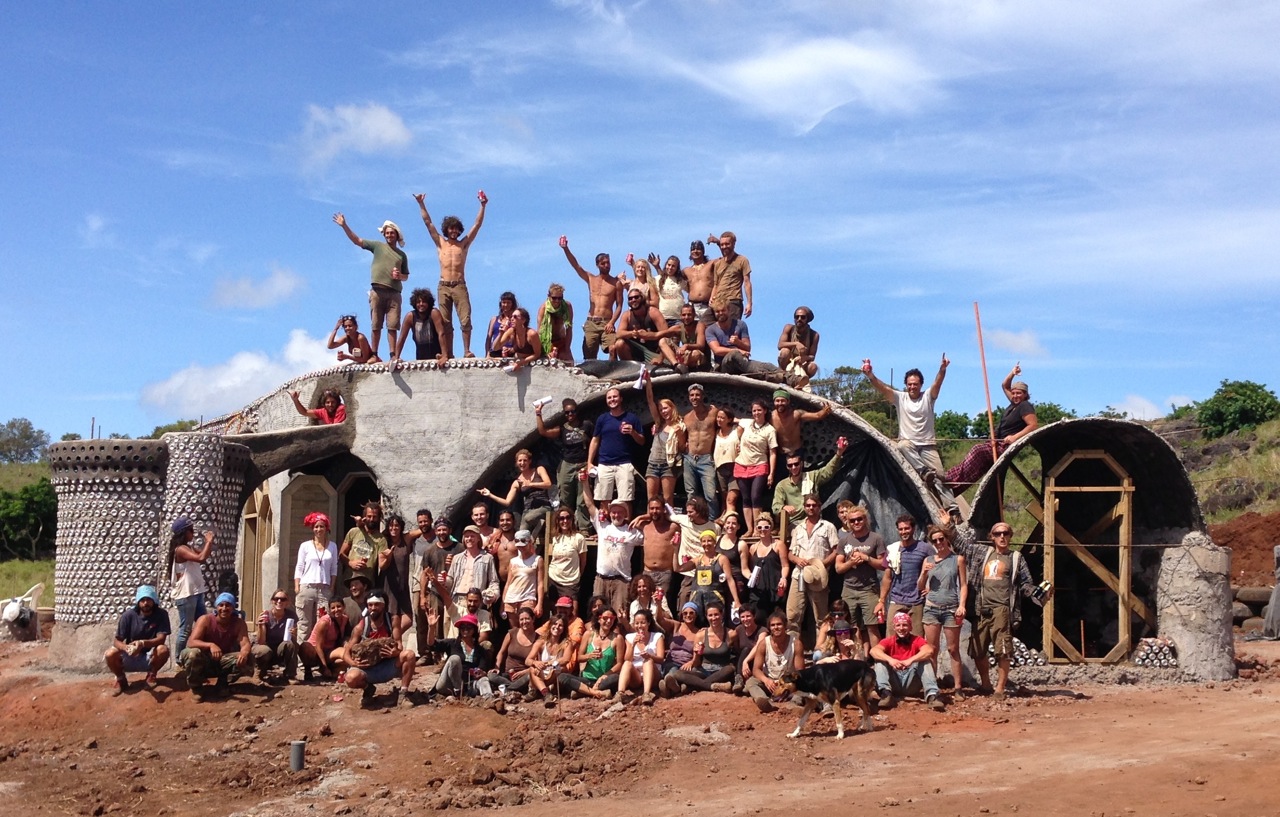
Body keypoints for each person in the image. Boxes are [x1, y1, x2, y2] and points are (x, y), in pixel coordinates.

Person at [953, 521, 1051, 700]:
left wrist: (1037, 593)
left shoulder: (1016, 558)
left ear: (1010, 536)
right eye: (998, 534)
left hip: (1003, 609)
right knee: (977, 649)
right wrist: (948, 526)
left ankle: (1000, 689)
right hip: (981, 607)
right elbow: (961, 546)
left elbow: (1025, 584)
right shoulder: (982, 552)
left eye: (1005, 533)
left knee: (1003, 650)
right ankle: (985, 684)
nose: (1002, 536)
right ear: (992, 537)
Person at [862, 355, 951, 493]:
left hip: (928, 446)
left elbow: (937, 383)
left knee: (940, 478)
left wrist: (942, 369)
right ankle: (924, 471)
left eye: (915, 384)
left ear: (921, 385)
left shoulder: (928, 396)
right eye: (909, 384)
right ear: (906, 385)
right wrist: (870, 375)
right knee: (902, 445)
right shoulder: (900, 398)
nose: (912, 387)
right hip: (909, 446)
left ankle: (952, 505)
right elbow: (883, 388)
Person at [415, 189, 487, 358]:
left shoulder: (463, 245)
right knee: (445, 322)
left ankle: (467, 350)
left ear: (459, 230)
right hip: (444, 286)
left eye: (456, 229)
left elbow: (477, 225)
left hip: (459, 285)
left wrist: (482, 206)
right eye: (451, 229)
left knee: (465, 319)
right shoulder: (441, 243)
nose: (453, 231)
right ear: (446, 230)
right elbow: (428, 223)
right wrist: (421, 203)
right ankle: (448, 353)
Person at [944, 364, 1039, 493]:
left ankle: (949, 478)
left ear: (1025, 395)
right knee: (979, 467)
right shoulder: (1013, 404)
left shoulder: (1025, 406)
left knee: (977, 450)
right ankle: (954, 489)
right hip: (996, 443)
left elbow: (1033, 426)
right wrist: (1012, 373)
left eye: (1019, 393)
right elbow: (1005, 385)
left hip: (1006, 446)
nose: (1015, 395)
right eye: (1014, 393)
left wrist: (1014, 437)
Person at [332, 213, 408, 360]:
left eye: (392, 233)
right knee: (376, 325)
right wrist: (344, 225)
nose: (389, 235)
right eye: (387, 233)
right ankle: (374, 354)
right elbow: (357, 241)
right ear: (384, 234)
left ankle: (393, 355)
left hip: (394, 293)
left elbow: (406, 276)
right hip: (377, 291)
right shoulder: (377, 246)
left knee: (392, 326)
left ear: (397, 235)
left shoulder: (401, 255)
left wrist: (400, 276)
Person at [343, 591, 416, 706]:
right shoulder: (362, 626)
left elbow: (399, 643)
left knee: (409, 655)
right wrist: (354, 663)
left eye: (376, 604)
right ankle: (368, 688)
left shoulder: (392, 620)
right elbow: (346, 652)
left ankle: (403, 693)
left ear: (383, 605)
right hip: (368, 668)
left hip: (388, 664)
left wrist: (395, 652)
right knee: (350, 678)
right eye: (370, 605)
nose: (373, 608)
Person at [784, 494, 840, 644]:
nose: (811, 508)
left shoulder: (828, 527)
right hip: (799, 575)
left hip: (818, 577)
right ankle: (793, 649)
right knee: (793, 615)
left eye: (814, 505)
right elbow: (790, 553)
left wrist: (821, 565)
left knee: (821, 617)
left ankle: (821, 649)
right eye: (808, 505)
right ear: (804, 508)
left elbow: (836, 551)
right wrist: (797, 559)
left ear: (819, 507)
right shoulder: (798, 529)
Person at [834, 503, 888, 656]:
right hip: (849, 589)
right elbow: (838, 568)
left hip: (869, 589)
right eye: (852, 520)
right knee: (851, 626)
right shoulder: (844, 541)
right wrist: (851, 562)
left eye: (859, 519)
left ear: (865, 519)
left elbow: (883, 565)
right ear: (848, 522)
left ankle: (878, 660)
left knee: (872, 626)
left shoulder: (875, 538)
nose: (856, 522)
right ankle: (856, 658)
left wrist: (866, 558)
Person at [919, 524, 968, 692]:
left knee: (953, 649)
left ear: (947, 539)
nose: (939, 543)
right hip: (932, 608)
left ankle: (958, 687)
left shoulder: (957, 559)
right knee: (932, 649)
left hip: (951, 608)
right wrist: (924, 573)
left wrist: (962, 605)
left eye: (941, 539)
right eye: (935, 541)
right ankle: (932, 687)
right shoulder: (928, 560)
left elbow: (963, 584)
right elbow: (920, 586)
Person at [560, 235, 624, 360]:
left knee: (613, 348)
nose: (606, 265)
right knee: (589, 355)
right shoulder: (591, 279)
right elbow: (576, 266)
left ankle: (612, 369)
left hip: (607, 322)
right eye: (603, 263)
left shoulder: (616, 283)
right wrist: (565, 248)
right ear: (597, 265)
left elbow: (619, 305)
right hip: (591, 322)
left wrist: (612, 322)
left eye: (608, 263)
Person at [536, 397, 593, 530]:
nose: (570, 414)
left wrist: (591, 462)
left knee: (583, 498)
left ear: (577, 411)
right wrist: (538, 413)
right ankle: (566, 528)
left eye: (572, 411)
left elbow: (595, 442)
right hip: (567, 464)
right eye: (567, 412)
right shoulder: (563, 428)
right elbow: (543, 431)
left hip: (583, 463)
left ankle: (584, 528)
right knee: (565, 498)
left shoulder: (587, 425)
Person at [869, 611, 945, 712]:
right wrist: (891, 660)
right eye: (898, 625)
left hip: (911, 681)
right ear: (894, 627)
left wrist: (910, 660)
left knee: (925, 661)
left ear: (910, 627)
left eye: (905, 625)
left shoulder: (917, 640)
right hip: (894, 681)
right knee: (880, 662)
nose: (901, 628)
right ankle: (885, 694)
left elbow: (929, 651)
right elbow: (873, 651)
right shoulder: (888, 641)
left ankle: (933, 695)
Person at [180, 592, 252, 696]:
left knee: (248, 657)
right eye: (221, 605)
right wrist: (210, 645)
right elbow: (191, 642)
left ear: (233, 608)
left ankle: (223, 683)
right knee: (193, 654)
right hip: (203, 659)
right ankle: (196, 688)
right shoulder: (205, 620)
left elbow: (245, 643)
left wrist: (244, 653)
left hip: (222, 659)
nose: (224, 608)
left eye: (228, 605)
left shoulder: (238, 623)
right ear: (216, 607)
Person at [582, 492, 644, 612]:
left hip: (621, 581)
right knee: (598, 614)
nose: (616, 515)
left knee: (620, 614)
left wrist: (639, 521)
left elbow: (650, 533)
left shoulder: (632, 531)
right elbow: (589, 505)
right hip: (601, 579)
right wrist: (584, 484)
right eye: (614, 512)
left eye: (620, 512)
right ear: (609, 514)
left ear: (626, 514)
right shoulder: (603, 526)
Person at [876, 515, 936, 636]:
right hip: (896, 600)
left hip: (917, 601)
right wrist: (881, 601)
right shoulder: (892, 550)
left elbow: (937, 570)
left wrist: (930, 588)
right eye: (901, 529)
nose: (904, 532)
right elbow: (887, 577)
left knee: (916, 638)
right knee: (892, 638)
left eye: (907, 528)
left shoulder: (925, 549)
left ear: (913, 529)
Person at [105, 585, 171, 694]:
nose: (145, 603)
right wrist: (127, 648)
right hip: (130, 655)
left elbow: (161, 639)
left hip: (150, 656)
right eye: (142, 600)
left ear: (154, 600)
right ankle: (121, 679)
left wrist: (142, 643)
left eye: (149, 600)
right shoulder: (128, 616)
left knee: (163, 650)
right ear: (138, 602)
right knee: (110, 654)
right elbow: (117, 641)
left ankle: (152, 675)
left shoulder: (161, 614)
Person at [481, 448, 554, 543]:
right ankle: (530, 545)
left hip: (543, 506)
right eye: (520, 461)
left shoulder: (539, 470)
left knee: (529, 518)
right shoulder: (517, 482)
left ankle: (538, 533)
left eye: (525, 460)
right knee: (520, 536)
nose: (522, 463)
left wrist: (531, 484)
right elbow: (507, 502)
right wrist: (490, 495)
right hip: (528, 510)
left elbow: (548, 484)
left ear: (529, 461)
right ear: (516, 462)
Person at [586, 387, 645, 504]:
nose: (612, 399)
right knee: (603, 500)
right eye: (609, 398)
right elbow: (595, 440)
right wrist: (589, 462)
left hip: (624, 463)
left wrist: (633, 432)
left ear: (621, 398)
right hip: (605, 463)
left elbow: (642, 441)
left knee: (626, 500)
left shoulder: (631, 418)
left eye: (615, 397)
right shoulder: (602, 419)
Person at [166, 516, 213, 656]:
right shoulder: (180, 549)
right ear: (184, 532)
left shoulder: (188, 547)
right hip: (186, 595)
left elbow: (204, 556)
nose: (193, 533)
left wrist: (208, 544)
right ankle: (179, 658)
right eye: (191, 530)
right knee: (186, 629)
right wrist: (208, 542)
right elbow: (200, 558)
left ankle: (203, 656)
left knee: (203, 625)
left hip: (196, 592)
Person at [772, 437, 847, 522]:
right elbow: (775, 507)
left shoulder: (811, 476)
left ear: (801, 464)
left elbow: (828, 471)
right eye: (790, 465)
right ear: (787, 467)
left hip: (814, 520)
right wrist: (783, 507)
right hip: (795, 523)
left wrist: (839, 453)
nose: (793, 467)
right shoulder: (782, 485)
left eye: (796, 464)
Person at [442, 526, 501, 633]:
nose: (469, 539)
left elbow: (494, 581)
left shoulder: (487, 558)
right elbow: (450, 580)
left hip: (475, 602)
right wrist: (444, 580)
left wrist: (493, 595)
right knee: (452, 632)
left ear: (478, 538)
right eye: (466, 536)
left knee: (472, 632)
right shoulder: (457, 558)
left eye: (472, 536)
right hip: (456, 600)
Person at [558, 606, 624, 700]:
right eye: (605, 618)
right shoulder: (588, 635)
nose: (609, 621)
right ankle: (595, 692)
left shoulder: (617, 638)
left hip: (605, 679)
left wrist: (604, 676)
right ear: (598, 619)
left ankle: (583, 691)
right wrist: (590, 656)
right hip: (587, 679)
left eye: (612, 618)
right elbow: (579, 658)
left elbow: (619, 664)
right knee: (562, 676)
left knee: (616, 678)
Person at [734, 398, 778, 533]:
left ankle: (758, 528)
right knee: (745, 498)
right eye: (754, 410)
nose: (756, 413)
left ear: (765, 411)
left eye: (759, 410)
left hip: (759, 464)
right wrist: (738, 442)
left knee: (755, 497)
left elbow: (773, 452)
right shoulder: (747, 423)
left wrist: (771, 473)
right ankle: (749, 529)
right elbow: (734, 422)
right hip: (742, 464)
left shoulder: (770, 430)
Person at [293, 511, 338, 644]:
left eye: (321, 526)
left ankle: (318, 653)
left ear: (326, 528)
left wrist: (332, 586)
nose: (319, 529)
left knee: (322, 623)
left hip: (324, 588)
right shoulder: (305, 546)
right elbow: (299, 566)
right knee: (304, 624)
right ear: (312, 529)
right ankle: (302, 654)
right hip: (307, 586)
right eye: (316, 527)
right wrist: (297, 587)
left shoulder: (332, 546)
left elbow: (334, 568)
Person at [678, 530, 744, 620]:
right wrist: (675, 549)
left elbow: (730, 579)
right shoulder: (697, 560)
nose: (706, 544)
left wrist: (736, 600)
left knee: (716, 622)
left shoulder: (722, 559)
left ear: (714, 542)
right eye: (703, 541)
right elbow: (678, 569)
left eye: (709, 541)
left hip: (715, 599)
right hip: (697, 599)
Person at [745, 611, 804, 712]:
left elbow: (799, 671)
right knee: (751, 682)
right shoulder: (764, 644)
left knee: (802, 684)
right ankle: (765, 701)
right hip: (770, 682)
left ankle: (795, 703)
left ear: (785, 625)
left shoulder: (796, 644)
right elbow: (756, 670)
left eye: (779, 624)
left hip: (788, 683)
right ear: (769, 627)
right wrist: (766, 680)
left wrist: (786, 685)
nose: (776, 627)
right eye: (773, 625)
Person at [642, 374, 686, 506]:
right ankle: (650, 518)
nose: (663, 411)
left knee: (667, 499)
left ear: (672, 408)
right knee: (651, 498)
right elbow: (650, 401)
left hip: (668, 465)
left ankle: (669, 519)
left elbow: (682, 447)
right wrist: (648, 382)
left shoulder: (680, 425)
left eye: (665, 408)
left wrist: (679, 434)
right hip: (653, 463)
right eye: (661, 409)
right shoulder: (659, 423)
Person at [668, 497, 721, 606]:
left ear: (700, 511)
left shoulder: (714, 527)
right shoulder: (683, 520)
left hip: (706, 570)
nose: (688, 514)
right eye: (687, 511)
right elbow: (668, 515)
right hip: (688, 571)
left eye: (691, 512)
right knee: (684, 598)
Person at [418, 518, 463, 644]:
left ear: (450, 530)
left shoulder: (460, 548)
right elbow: (425, 574)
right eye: (439, 530)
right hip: (435, 593)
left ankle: (454, 649)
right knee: (437, 624)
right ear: (435, 531)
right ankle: (437, 651)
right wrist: (423, 596)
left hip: (454, 593)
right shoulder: (429, 551)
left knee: (454, 623)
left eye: (444, 529)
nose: (442, 532)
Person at [431, 613, 494, 698]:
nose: (465, 630)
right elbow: (432, 644)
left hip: (468, 685)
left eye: (469, 627)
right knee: (454, 659)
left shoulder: (480, 650)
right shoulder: (452, 643)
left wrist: (481, 673)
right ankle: (458, 690)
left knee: (484, 679)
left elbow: (482, 668)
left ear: (474, 630)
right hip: (447, 685)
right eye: (462, 627)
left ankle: (488, 699)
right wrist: (431, 627)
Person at [632, 501, 680, 613]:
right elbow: (632, 523)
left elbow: (682, 522)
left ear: (664, 509)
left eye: (657, 508)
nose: (654, 511)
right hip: (647, 572)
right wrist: (641, 517)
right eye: (652, 508)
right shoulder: (644, 526)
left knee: (662, 606)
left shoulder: (673, 527)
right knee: (645, 604)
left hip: (664, 573)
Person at [611, 287, 678, 366]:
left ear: (642, 298)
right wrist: (634, 333)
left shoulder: (653, 312)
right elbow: (619, 334)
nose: (633, 300)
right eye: (630, 298)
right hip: (637, 351)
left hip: (654, 352)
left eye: (636, 297)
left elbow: (667, 335)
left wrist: (660, 358)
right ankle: (631, 368)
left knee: (664, 341)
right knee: (619, 344)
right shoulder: (627, 315)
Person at [681, 383, 719, 518]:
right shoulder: (687, 417)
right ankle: (694, 520)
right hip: (689, 458)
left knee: (711, 494)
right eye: (692, 395)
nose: (694, 397)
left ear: (703, 396)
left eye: (697, 395)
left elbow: (727, 420)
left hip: (706, 458)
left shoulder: (713, 412)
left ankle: (712, 521)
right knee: (691, 494)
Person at [770, 389, 833, 469]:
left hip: (796, 452)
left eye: (783, 401)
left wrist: (825, 410)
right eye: (777, 401)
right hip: (780, 454)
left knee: (798, 475)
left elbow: (817, 415)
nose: (780, 403)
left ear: (788, 401)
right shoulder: (770, 417)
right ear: (774, 402)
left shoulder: (796, 414)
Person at [406, 509, 438, 659]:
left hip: (435, 583)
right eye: (420, 522)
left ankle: (437, 652)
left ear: (431, 520)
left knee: (435, 617)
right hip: (418, 582)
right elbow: (404, 537)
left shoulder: (439, 538)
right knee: (420, 619)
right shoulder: (415, 540)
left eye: (426, 521)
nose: (423, 524)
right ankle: (424, 653)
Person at [745, 511, 788, 620]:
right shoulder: (752, 548)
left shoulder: (778, 545)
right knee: (759, 620)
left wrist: (783, 578)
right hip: (758, 592)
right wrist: (750, 576)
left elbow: (785, 565)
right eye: (759, 527)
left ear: (771, 528)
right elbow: (747, 569)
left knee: (777, 621)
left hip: (775, 589)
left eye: (766, 527)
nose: (763, 530)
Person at [618, 608, 665, 705]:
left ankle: (646, 694)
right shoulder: (630, 637)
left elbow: (661, 659)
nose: (639, 626)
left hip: (653, 675)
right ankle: (620, 693)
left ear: (648, 623)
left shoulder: (657, 637)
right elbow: (627, 659)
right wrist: (633, 645)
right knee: (627, 664)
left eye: (642, 623)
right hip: (637, 677)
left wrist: (649, 656)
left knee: (648, 661)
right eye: (637, 623)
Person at [251, 589, 299, 684]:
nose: (279, 601)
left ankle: (290, 674)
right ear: (272, 601)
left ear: (287, 602)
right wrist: (261, 625)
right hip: (266, 648)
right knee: (264, 650)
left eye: (283, 599)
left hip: (279, 649)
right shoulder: (266, 615)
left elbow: (293, 641)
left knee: (291, 644)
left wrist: (294, 634)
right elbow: (261, 642)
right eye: (276, 599)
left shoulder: (291, 615)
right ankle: (259, 672)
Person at [492, 606, 541, 698]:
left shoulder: (538, 639)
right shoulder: (512, 633)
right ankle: (513, 688)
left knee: (532, 675)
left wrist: (524, 672)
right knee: (491, 675)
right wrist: (497, 667)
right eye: (521, 619)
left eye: (527, 619)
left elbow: (538, 663)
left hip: (525, 675)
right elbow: (501, 652)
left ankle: (508, 689)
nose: (524, 622)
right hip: (507, 675)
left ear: (533, 619)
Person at [393, 288, 449, 366]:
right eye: (418, 302)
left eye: (424, 302)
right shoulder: (410, 316)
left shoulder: (434, 313)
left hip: (437, 356)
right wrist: (396, 357)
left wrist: (445, 355)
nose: (421, 304)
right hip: (420, 358)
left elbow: (441, 333)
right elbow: (402, 338)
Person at [300, 598, 351, 682]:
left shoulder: (345, 619)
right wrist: (324, 666)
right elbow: (318, 646)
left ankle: (333, 670)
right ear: (329, 610)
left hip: (330, 651)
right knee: (305, 647)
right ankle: (310, 669)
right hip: (316, 651)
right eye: (333, 608)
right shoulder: (325, 622)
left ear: (344, 607)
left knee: (346, 654)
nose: (336, 610)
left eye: (339, 606)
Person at [527, 615, 574, 706]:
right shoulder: (541, 642)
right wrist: (535, 663)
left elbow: (566, 659)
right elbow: (528, 660)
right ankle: (546, 694)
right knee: (532, 669)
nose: (557, 627)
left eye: (560, 625)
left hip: (555, 674)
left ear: (564, 628)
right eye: (555, 624)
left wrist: (549, 663)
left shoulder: (567, 643)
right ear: (550, 625)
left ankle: (540, 691)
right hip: (542, 674)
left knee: (560, 668)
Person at [378, 514, 413, 636]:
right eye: (391, 525)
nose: (394, 528)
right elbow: (382, 566)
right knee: (392, 616)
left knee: (408, 619)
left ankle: (391, 637)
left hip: (402, 585)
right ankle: (392, 638)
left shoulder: (405, 540)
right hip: (388, 585)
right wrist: (388, 557)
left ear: (401, 527)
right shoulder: (384, 542)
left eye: (397, 525)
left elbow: (421, 530)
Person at [705, 304, 764, 375]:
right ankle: (756, 372)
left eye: (723, 310)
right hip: (723, 364)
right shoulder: (710, 330)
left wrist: (738, 342)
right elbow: (716, 350)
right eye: (717, 311)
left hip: (742, 362)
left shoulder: (740, 324)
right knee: (734, 355)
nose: (720, 313)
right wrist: (737, 351)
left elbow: (748, 348)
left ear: (729, 310)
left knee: (767, 366)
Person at [706, 231, 752, 319]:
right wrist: (712, 298)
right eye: (722, 244)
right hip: (718, 300)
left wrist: (749, 303)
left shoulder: (742, 260)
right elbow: (716, 284)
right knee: (702, 323)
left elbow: (747, 283)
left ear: (734, 244)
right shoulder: (718, 264)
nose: (724, 246)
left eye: (727, 244)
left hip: (733, 300)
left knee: (731, 326)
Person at [657, 601, 701, 695]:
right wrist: (658, 604)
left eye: (691, 613)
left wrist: (691, 662)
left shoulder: (699, 633)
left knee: (686, 673)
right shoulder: (676, 625)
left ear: (696, 615)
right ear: (682, 614)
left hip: (687, 665)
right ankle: (678, 687)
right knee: (672, 670)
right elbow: (660, 620)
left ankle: (668, 688)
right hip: (671, 662)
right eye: (685, 613)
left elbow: (697, 654)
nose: (688, 615)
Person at [341, 501, 386, 588]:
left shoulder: (381, 539)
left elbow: (382, 564)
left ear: (379, 518)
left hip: (367, 583)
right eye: (369, 516)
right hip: (349, 581)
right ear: (364, 517)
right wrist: (351, 563)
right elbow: (341, 554)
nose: (371, 519)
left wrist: (388, 557)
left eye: (374, 517)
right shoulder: (354, 532)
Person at [501, 531, 545, 620]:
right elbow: (508, 583)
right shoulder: (513, 561)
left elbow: (540, 584)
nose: (521, 548)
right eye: (519, 546)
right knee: (514, 628)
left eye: (523, 545)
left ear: (530, 542)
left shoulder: (537, 560)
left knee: (527, 625)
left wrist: (539, 604)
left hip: (528, 598)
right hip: (510, 599)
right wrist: (503, 603)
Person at [777, 306, 819, 387]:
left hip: (802, 363)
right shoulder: (789, 328)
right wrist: (796, 344)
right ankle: (783, 375)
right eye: (797, 317)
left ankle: (802, 382)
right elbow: (780, 345)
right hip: (788, 361)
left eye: (803, 317)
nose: (799, 319)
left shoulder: (814, 335)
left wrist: (804, 358)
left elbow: (812, 356)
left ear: (807, 319)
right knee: (785, 351)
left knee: (813, 367)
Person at [713, 407, 741, 521]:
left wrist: (736, 420)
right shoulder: (716, 432)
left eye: (722, 417)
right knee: (724, 498)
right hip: (720, 468)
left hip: (734, 467)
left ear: (729, 419)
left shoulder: (737, 430)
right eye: (718, 417)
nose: (719, 420)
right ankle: (723, 520)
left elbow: (749, 422)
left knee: (731, 499)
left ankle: (730, 522)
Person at [664, 303, 709, 375]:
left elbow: (701, 346)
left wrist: (687, 346)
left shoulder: (699, 326)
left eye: (689, 314)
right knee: (663, 340)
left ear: (694, 315)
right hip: (684, 354)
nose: (686, 317)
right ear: (680, 316)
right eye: (684, 315)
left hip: (698, 357)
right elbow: (658, 335)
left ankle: (683, 366)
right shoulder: (678, 328)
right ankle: (677, 365)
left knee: (695, 353)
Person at [536, 283, 575, 362]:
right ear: (548, 296)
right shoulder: (543, 309)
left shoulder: (567, 306)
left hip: (561, 341)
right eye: (554, 298)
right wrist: (543, 351)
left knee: (569, 362)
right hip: (548, 342)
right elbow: (540, 331)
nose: (557, 301)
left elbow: (569, 328)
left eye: (560, 298)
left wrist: (567, 349)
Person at [681, 240, 718, 324]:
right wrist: (657, 267)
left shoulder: (710, 264)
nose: (695, 251)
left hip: (707, 305)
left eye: (698, 249)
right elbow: (670, 276)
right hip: (692, 307)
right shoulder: (686, 270)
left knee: (708, 329)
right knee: (694, 330)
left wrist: (718, 242)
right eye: (693, 249)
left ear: (703, 251)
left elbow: (724, 260)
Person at [648, 253, 687, 322]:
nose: (670, 268)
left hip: (678, 317)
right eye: (669, 265)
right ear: (666, 265)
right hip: (663, 317)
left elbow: (691, 291)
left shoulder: (681, 280)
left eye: (673, 266)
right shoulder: (657, 279)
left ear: (677, 268)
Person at [485, 291, 520, 358]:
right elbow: (488, 338)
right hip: (495, 350)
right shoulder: (494, 319)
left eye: (508, 303)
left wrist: (512, 349)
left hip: (510, 351)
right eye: (504, 302)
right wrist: (487, 353)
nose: (506, 305)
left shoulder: (516, 320)